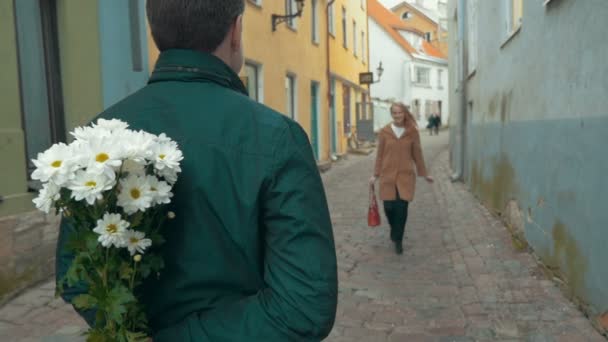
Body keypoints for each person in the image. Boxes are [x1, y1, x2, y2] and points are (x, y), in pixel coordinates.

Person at [55, 0, 338, 340]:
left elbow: (77, 278)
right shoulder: (276, 137)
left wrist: (134, 332)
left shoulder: (99, 135)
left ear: (155, 31)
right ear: (236, 31)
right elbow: (303, 308)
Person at [369, 102, 434, 254]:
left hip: (405, 176)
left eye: (400, 112)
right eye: (395, 113)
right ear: (392, 115)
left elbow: (417, 154)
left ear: (404, 113)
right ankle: (394, 230)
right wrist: (375, 174)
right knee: (389, 208)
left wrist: (424, 173)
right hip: (387, 176)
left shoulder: (412, 131)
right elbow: (380, 155)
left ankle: (398, 240)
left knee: (402, 209)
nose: (397, 115)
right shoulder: (385, 132)